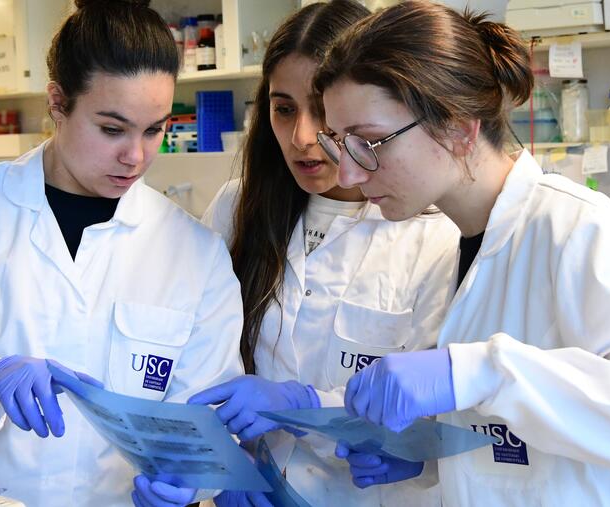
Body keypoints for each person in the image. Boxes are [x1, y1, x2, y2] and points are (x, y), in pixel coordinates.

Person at [310, 2, 610, 505]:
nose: (348, 176)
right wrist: (427, 456)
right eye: (340, 143)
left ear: (458, 128)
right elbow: (524, 440)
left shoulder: (578, 231)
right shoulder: (457, 248)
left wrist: (481, 371)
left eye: (370, 143)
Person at [0, 1, 243, 505]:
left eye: (154, 129)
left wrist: (188, 483)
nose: (136, 156)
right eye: (112, 129)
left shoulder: (194, 253)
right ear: (58, 101)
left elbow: (203, 428)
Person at [184, 1, 461, 505]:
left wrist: (308, 407)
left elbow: (437, 413)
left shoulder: (431, 234)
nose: (303, 138)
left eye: (322, 109)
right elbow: (194, 350)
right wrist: (221, 461)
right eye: (283, 108)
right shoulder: (239, 208)